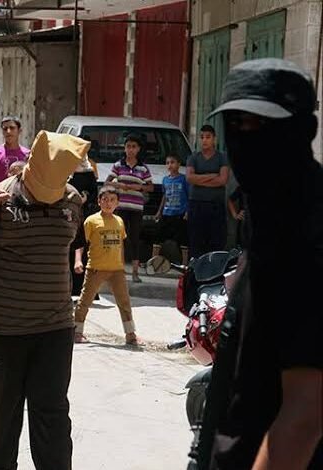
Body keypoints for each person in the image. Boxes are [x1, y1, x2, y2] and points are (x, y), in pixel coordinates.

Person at [196, 59, 322, 469]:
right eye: (235, 124)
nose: (244, 138)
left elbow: (305, 413)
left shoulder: (308, 229)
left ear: (303, 129)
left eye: (259, 125)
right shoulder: (266, 213)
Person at [0, 130, 87, 470]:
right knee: (3, 412)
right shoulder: (1, 198)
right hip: (5, 328)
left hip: (55, 327)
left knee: (52, 412)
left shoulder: (72, 200)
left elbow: (69, 247)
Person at [73, 185, 137, 345]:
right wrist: (78, 260)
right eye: (105, 199)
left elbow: (121, 245)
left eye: (112, 200)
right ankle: (76, 332)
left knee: (124, 302)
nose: (108, 203)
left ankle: (131, 335)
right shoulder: (91, 221)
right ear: (99, 201)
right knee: (85, 301)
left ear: (117, 203)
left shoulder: (119, 221)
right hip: (96, 268)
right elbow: (80, 243)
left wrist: (122, 266)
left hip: (116, 270)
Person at [104, 134, 154, 283]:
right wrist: (119, 185)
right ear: (124, 148)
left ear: (138, 149)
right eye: (128, 146)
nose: (130, 150)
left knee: (135, 239)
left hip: (136, 208)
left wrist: (139, 187)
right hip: (121, 207)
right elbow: (107, 182)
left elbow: (150, 187)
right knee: (119, 237)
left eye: (133, 147)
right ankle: (118, 270)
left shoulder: (143, 168)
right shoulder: (118, 165)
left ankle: (135, 272)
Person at [186, 124, 229, 258]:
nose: (204, 140)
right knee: (196, 240)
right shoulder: (194, 157)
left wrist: (199, 178)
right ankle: (196, 267)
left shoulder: (221, 157)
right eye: (202, 137)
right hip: (197, 204)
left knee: (216, 241)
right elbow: (190, 178)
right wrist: (211, 176)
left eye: (208, 137)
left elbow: (222, 180)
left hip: (216, 205)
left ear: (214, 139)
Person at [68, 154, 99, 296]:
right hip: (67, 213)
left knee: (83, 247)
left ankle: (82, 289)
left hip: (84, 214)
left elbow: (94, 192)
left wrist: (85, 198)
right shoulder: (65, 170)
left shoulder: (88, 172)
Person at [152, 154, 189, 266]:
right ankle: (153, 262)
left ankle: (184, 264)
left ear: (178, 164)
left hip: (180, 214)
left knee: (183, 240)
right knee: (158, 237)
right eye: (167, 163)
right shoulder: (165, 180)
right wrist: (159, 212)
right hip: (166, 213)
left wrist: (187, 211)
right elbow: (165, 196)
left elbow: (189, 196)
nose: (170, 165)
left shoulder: (184, 179)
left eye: (172, 162)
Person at [0, 116, 30, 195]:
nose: (8, 131)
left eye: (12, 128)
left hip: (20, 198)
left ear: (19, 131)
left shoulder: (28, 155)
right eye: (5, 129)